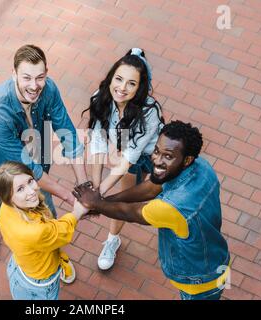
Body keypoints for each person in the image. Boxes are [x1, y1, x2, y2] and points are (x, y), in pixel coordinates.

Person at [74, 121, 230, 300]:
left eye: (168, 156)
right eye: (156, 151)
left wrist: (97, 205)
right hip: (216, 258)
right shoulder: (202, 166)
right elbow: (151, 187)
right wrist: (102, 201)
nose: (157, 160)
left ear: (187, 160)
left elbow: (129, 213)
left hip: (199, 282)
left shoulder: (172, 207)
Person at [0, 44, 88, 260]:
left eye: (40, 77)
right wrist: (72, 199)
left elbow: (68, 134)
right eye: (26, 78)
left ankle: (52, 253)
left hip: (34, 170)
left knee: (46, 211)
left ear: (46, 74)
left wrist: (84, 187)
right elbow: (29, 167)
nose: (34, 86)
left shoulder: (48, 89)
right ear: (13, 74)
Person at [82, 48, 164, 270]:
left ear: (140, 88)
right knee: (115, 192)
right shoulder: (100, 98)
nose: (122, 88)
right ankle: (113, 238)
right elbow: (98, 144)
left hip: (146, 154)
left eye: (131, 83)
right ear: (111, 77)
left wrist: (97, 198)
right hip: (125, 143)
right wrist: (96, 188)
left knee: (125, 199)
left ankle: (111, 239)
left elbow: (129, 158)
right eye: (118, 79)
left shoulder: (150, 112)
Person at [0, 161, 88, 300]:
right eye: (20, 189)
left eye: (30, 181)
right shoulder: (35, 232)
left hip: (20, 267)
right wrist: (77, 212)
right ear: (8, 197)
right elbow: (60, 231)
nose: (31, 191)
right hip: (40, 284)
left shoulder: (6, 206)